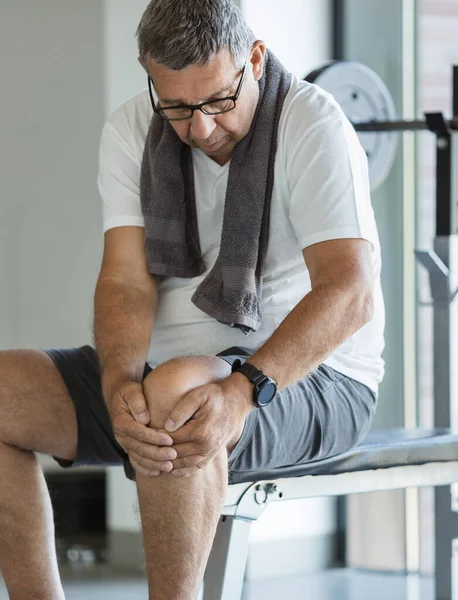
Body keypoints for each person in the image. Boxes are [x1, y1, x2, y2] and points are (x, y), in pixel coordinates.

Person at [0, 0, 385, 598]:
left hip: (311, 379)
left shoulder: (312, 123)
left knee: (178, 397)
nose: (199, 128)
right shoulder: (131, 126)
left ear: (253, 59)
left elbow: (350, 291)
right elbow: (126, 279)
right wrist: (118, 382)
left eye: (217, 102)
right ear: (147, 73)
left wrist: (242, 390)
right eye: (176, 105)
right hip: (166, 376)